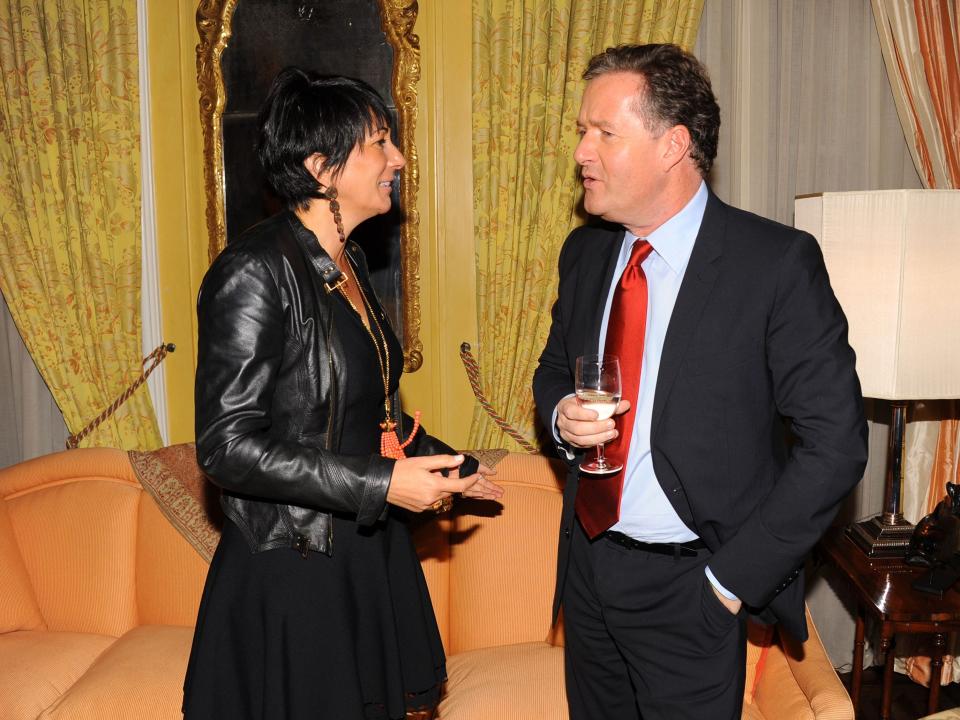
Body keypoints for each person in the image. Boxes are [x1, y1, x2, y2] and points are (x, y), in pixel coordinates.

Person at [532, 44, 867, 720]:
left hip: (694, 588)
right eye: (581, 131)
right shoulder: (588, 252)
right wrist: (563, 411)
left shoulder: (772, 265)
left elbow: (836, 445)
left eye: (603, 132)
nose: (581, 153)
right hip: (589, 573)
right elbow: (550, 373)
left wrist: (727, 583)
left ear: (672, 145)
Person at [183, 67, 502, 720]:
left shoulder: (349, 262)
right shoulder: (252, 273)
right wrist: (382, 485)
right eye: (380, 143)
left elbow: (364, 415)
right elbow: (227, 449)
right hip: (294, 565)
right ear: (323, 167)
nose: (399, 160)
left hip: (362, 545)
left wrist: (453, 467)